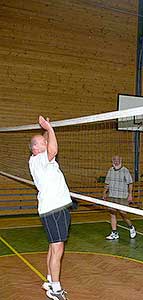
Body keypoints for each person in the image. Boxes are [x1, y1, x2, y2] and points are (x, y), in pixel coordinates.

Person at [29, 116, 72, 300]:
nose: (45, 142)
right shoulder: (39, 159)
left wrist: (47, 128)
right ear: (35, 148)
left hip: (55, 208)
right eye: (42, 142)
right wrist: (50, 129)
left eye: (45, 140)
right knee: (57, 249)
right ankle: (55, 289)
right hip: (53, 210)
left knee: (53, 246)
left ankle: (49, 279)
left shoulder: (41, 161)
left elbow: (47, 143)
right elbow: (53, 148)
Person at [103, 156, 136, 240]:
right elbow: (107, 183)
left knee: (123, 214)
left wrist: (130, 194)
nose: (116, 162)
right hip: (112, 196)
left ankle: (131, 227)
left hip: (122, 196)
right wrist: (104, 193)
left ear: (121, 161)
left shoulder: (125, 171)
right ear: (112, 161)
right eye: (114, 160)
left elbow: (130, 183)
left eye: (118, 160)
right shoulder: (110, 170)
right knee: (112, 214)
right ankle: (114, 233)